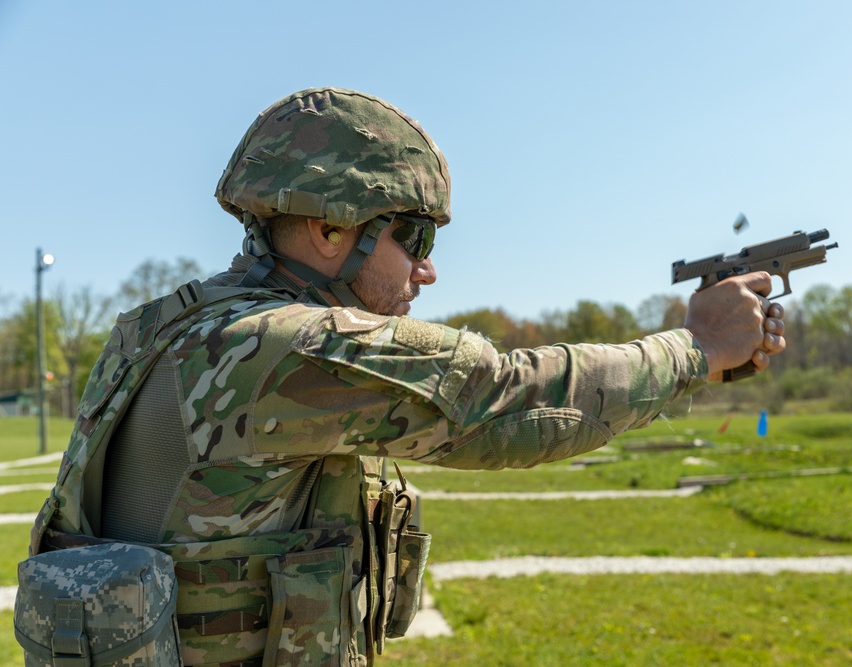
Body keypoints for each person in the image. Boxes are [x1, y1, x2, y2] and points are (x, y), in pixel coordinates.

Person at [29, 87, 785, 667]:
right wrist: (699, 345)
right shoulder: (282, 350)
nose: (427, 267)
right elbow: (509, 400)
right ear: (329, 230)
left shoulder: (154, 327)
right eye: (411, 234)